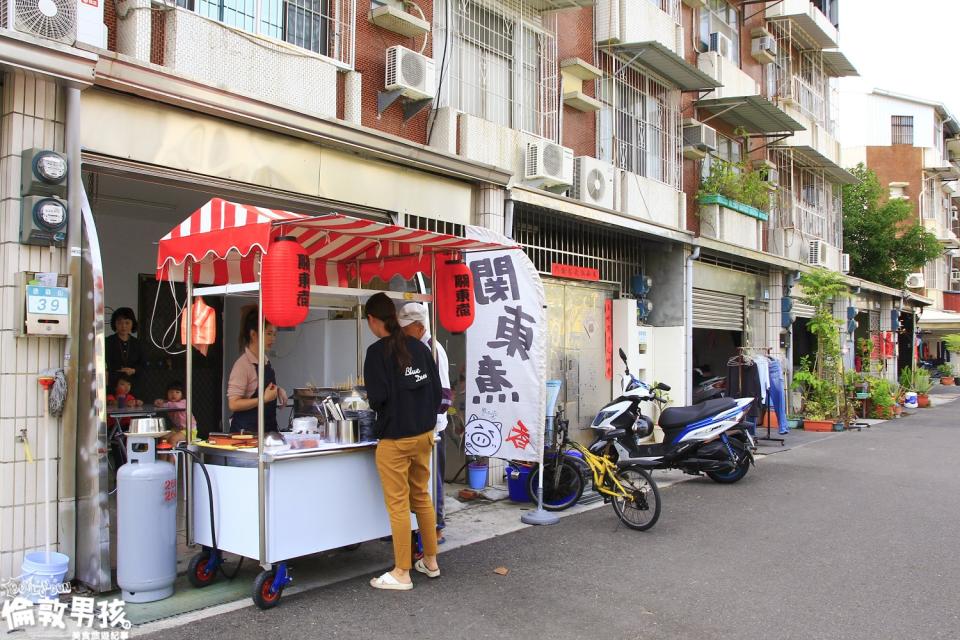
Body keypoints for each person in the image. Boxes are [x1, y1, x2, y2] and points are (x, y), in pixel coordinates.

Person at [363, 293, 442, 591]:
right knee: (421, 496)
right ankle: (431, 561)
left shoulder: (376, 353)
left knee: (398, 505)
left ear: (373, 320)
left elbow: (378, 398)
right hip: (424, 436)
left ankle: (401, 572)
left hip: (395, 439)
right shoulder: (419, 349)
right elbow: (436, 393)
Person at [398, 302, 452, 545]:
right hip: (418, 426)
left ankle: (436, 527)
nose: (402, 333)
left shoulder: (433, 349)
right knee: (420, 482)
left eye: (406, 328)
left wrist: (428, 420)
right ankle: (418, 527)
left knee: (433, 480)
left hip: (433, 428)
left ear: (419, 327)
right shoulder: (414, 347)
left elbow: (445, 394)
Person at [227, 306, 287, 433]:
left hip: (267, 430)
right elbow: (233, 404)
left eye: (275, 334)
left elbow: (262, 387)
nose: (273, 339)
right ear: (253, 334)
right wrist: (263, 399)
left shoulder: (265, 360)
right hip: (245, 435)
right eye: (269, 333)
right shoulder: (242, 365)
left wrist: (278, 390)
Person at [105, 307, 143, 394]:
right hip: (113, 386)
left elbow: (143, 364)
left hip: (133, 386)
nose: (123, 326)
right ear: (115, 324)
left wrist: (133, 370)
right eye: (120, 323)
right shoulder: (108, 341)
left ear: (132, 324)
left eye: (127, 322)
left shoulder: (138, 343)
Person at [155, 380, 196, 449]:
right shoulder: (168, 403)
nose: (174, 395)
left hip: (189, 430)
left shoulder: (184, 402)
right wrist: (158, 402)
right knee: (163, 439)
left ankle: (172, 459)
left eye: (177, 392)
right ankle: (163, 459)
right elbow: (165, 403)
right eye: (171, 392)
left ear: (183, 394)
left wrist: (163, 404)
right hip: (178, 429)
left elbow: (176, 406)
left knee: (172, 439)